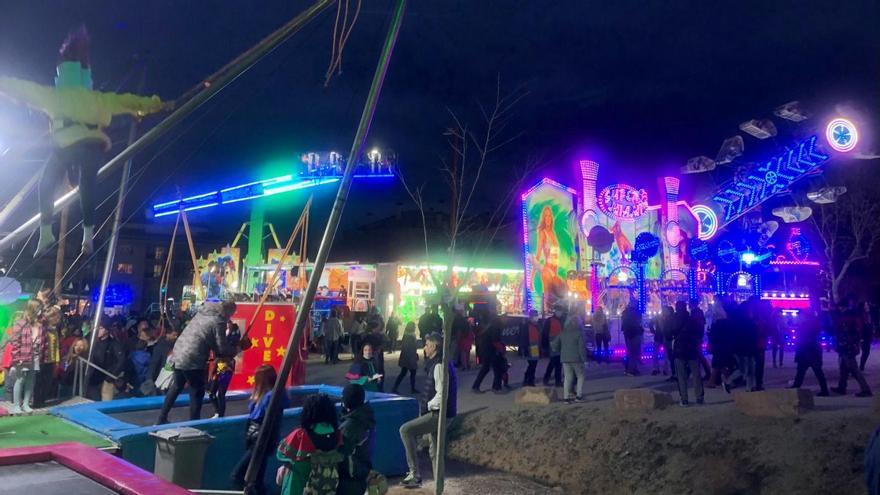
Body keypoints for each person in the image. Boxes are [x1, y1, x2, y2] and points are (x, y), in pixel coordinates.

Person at [0, 26, 168, 257]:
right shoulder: (97, 98)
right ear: (86, 75)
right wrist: (154, 104)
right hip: (91, 145)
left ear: (61, 74)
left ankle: (46, 231)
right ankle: (87, 235)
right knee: (87, 185)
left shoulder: (53, 95)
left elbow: (19, 88)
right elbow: (130, 101)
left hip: (65, 146)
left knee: (46, 184)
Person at [156, 300, 241, 424]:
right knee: (197, 391)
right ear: (228, 312)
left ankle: (161, 418)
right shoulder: (219, 321)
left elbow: (209, 340)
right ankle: (194, 423)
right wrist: (237, 349)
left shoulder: (202, 314)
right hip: (193, 356)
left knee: (176, 386)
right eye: (231, 314)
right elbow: (221, 348)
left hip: (179, 351)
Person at [399, 333, 457, 488]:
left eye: (426, 344)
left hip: (439, 414)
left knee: (406, 430)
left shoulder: (438, 365)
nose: (424, 347)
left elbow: (442, 394)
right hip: (443, 413)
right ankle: (438, 484)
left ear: (434, 347)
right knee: (435, 450)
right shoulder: (440, 363)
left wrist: (429, 405)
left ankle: (414, 474)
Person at [231, 364, 290, 494]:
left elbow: (266, 421)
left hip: (260, 441)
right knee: (257, 481)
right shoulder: (265, 396)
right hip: (257, 440)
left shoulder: (271, 397)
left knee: (237, 475)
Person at [276, 394, 341, 495]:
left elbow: (281, 453)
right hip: (324, 486)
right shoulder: (336, 434)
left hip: (299, 485)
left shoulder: (301, 435)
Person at [337, 384, 376, 495]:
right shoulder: (365, 416)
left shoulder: (351, 425)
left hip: (350, 479)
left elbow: (341, 455)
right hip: (361, 472)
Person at [8, 300, 46, 413]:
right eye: (39, 308)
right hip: (23, 355)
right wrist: (16, 358)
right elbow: (15, 342)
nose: (41, 311)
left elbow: (43, 342)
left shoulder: (40, 325)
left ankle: (26, 404)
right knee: (20, 379)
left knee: (31, 380)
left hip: (35, 355)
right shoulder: (20, 323)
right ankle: (16, 405)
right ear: (33, 309)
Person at [832, 299, 873, 397]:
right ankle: (842, 387)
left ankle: (866, 389)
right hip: (848, 345)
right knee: (844, 368)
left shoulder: (847, 317)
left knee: (854, 369)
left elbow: (845, 331)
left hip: (847, 346)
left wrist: (842, 341)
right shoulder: (851, 316)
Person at [789, 309, 829, 396]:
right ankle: (824, 389)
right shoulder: (815, 325)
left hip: (806, 352)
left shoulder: (805, 326)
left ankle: (797, 386)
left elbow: (802, 339)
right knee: (815, 372)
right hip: (813, 351)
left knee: (803, 371)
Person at [209, 321, 244, 418]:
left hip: (226, 365)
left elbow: (234, 347)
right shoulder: (220, 333)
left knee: (221, 393)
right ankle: (217, 412)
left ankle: (220, 415)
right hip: (218, 364)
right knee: (211, 392)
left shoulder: (234, 333)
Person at [672, 301, 704, 406]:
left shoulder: (675, 320)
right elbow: (699, 333)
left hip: (679, 349)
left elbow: (668, 331)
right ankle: (699, 397)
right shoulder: (692, 319)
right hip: (692, 349)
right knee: (696, 374)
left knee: (681, 376)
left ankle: (684, 399)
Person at [554, 308, 586, 403]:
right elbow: (581, 348)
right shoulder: (579, 333)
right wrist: (584, 359)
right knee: (580, 376)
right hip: (577, 359)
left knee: (567, 378)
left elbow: (555, 344)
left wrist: (560, 351)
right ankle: (578, 396)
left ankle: (566, 398)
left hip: (565, 358)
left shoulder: (563, 332)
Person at [88, 322, 126, 401]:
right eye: (96, 328)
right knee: (92, 400)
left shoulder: (114, 343)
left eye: (101, 328)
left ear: (107, 330)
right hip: (93, 378)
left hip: (107, 378)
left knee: (106, 401)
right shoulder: (92, 342)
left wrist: (111, 375)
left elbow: (121, 360)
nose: (98, 330)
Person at [34, 305, 62, 407]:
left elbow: (57, 346)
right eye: (56, 318)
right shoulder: (41, 328)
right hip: (40, 360)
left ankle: (42, 401)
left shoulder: (54, 330)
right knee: (38, 382)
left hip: (51, 360)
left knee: (48, 382)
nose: (58, 320)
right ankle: (36, 401)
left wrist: (57, 360)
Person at [707, 303, 735, 388]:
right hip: (725, 346)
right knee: (721, 364)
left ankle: (713, 381)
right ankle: (728, 380)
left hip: (718, 346)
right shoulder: (727, 322)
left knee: (718, 364)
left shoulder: (716, 324)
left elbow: (713, 336)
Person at [472, 321, 503, 393]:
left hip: (486, 350)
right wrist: (501, 350)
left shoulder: (489, 328)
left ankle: (476, 386)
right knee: (497, 369)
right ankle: (496, 387)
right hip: (491, 351)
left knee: (486, 368)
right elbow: (495, 341)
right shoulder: (495, 329)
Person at [392, 322, 419, 394]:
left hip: (407, 357)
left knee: (404, 373)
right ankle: (412, 388)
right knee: (410, 372)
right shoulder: (410, 336)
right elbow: (409, 348)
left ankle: (395, 387)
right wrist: (413, 356)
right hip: (409, 357)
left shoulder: (407, 335)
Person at [541, 307, 564, 386]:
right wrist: (545, 346)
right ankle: (557, 381)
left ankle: (547, 378)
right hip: (552, 346)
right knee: (557, 363)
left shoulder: (562, 320)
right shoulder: (549, 321)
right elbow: (544, 334)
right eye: (559, 311)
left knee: (553, 363)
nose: (560, 313)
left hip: (559, 346)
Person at [621, 302, 643, 376]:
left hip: (627, 333)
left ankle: (628, 368)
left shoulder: (625, 313)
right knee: (634, 352)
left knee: (629, 352)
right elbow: (639, 322)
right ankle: (633, 369)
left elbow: (623, 324)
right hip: (635, 333)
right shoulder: (636, 313)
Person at [522, 310, 542, 386]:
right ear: (530, 317)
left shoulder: (537, 325)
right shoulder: (526, 326)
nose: (536, 317)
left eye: (537, 315)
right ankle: (529, 380)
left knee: (533, 365)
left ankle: (528, 379)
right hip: (530, 348)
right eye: (534, 316)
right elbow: (524, 338)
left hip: (535, 348)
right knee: (532, 365)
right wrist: (525, 349)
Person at [861, 301, 874, 372]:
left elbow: (870, 324)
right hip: (864, 336)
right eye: (866, 305)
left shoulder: (868, 314)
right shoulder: (862, 315)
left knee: (866, 352)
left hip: (868, 336)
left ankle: (861, 367)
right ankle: (860, 368)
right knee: (865, 351)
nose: (868, 306)